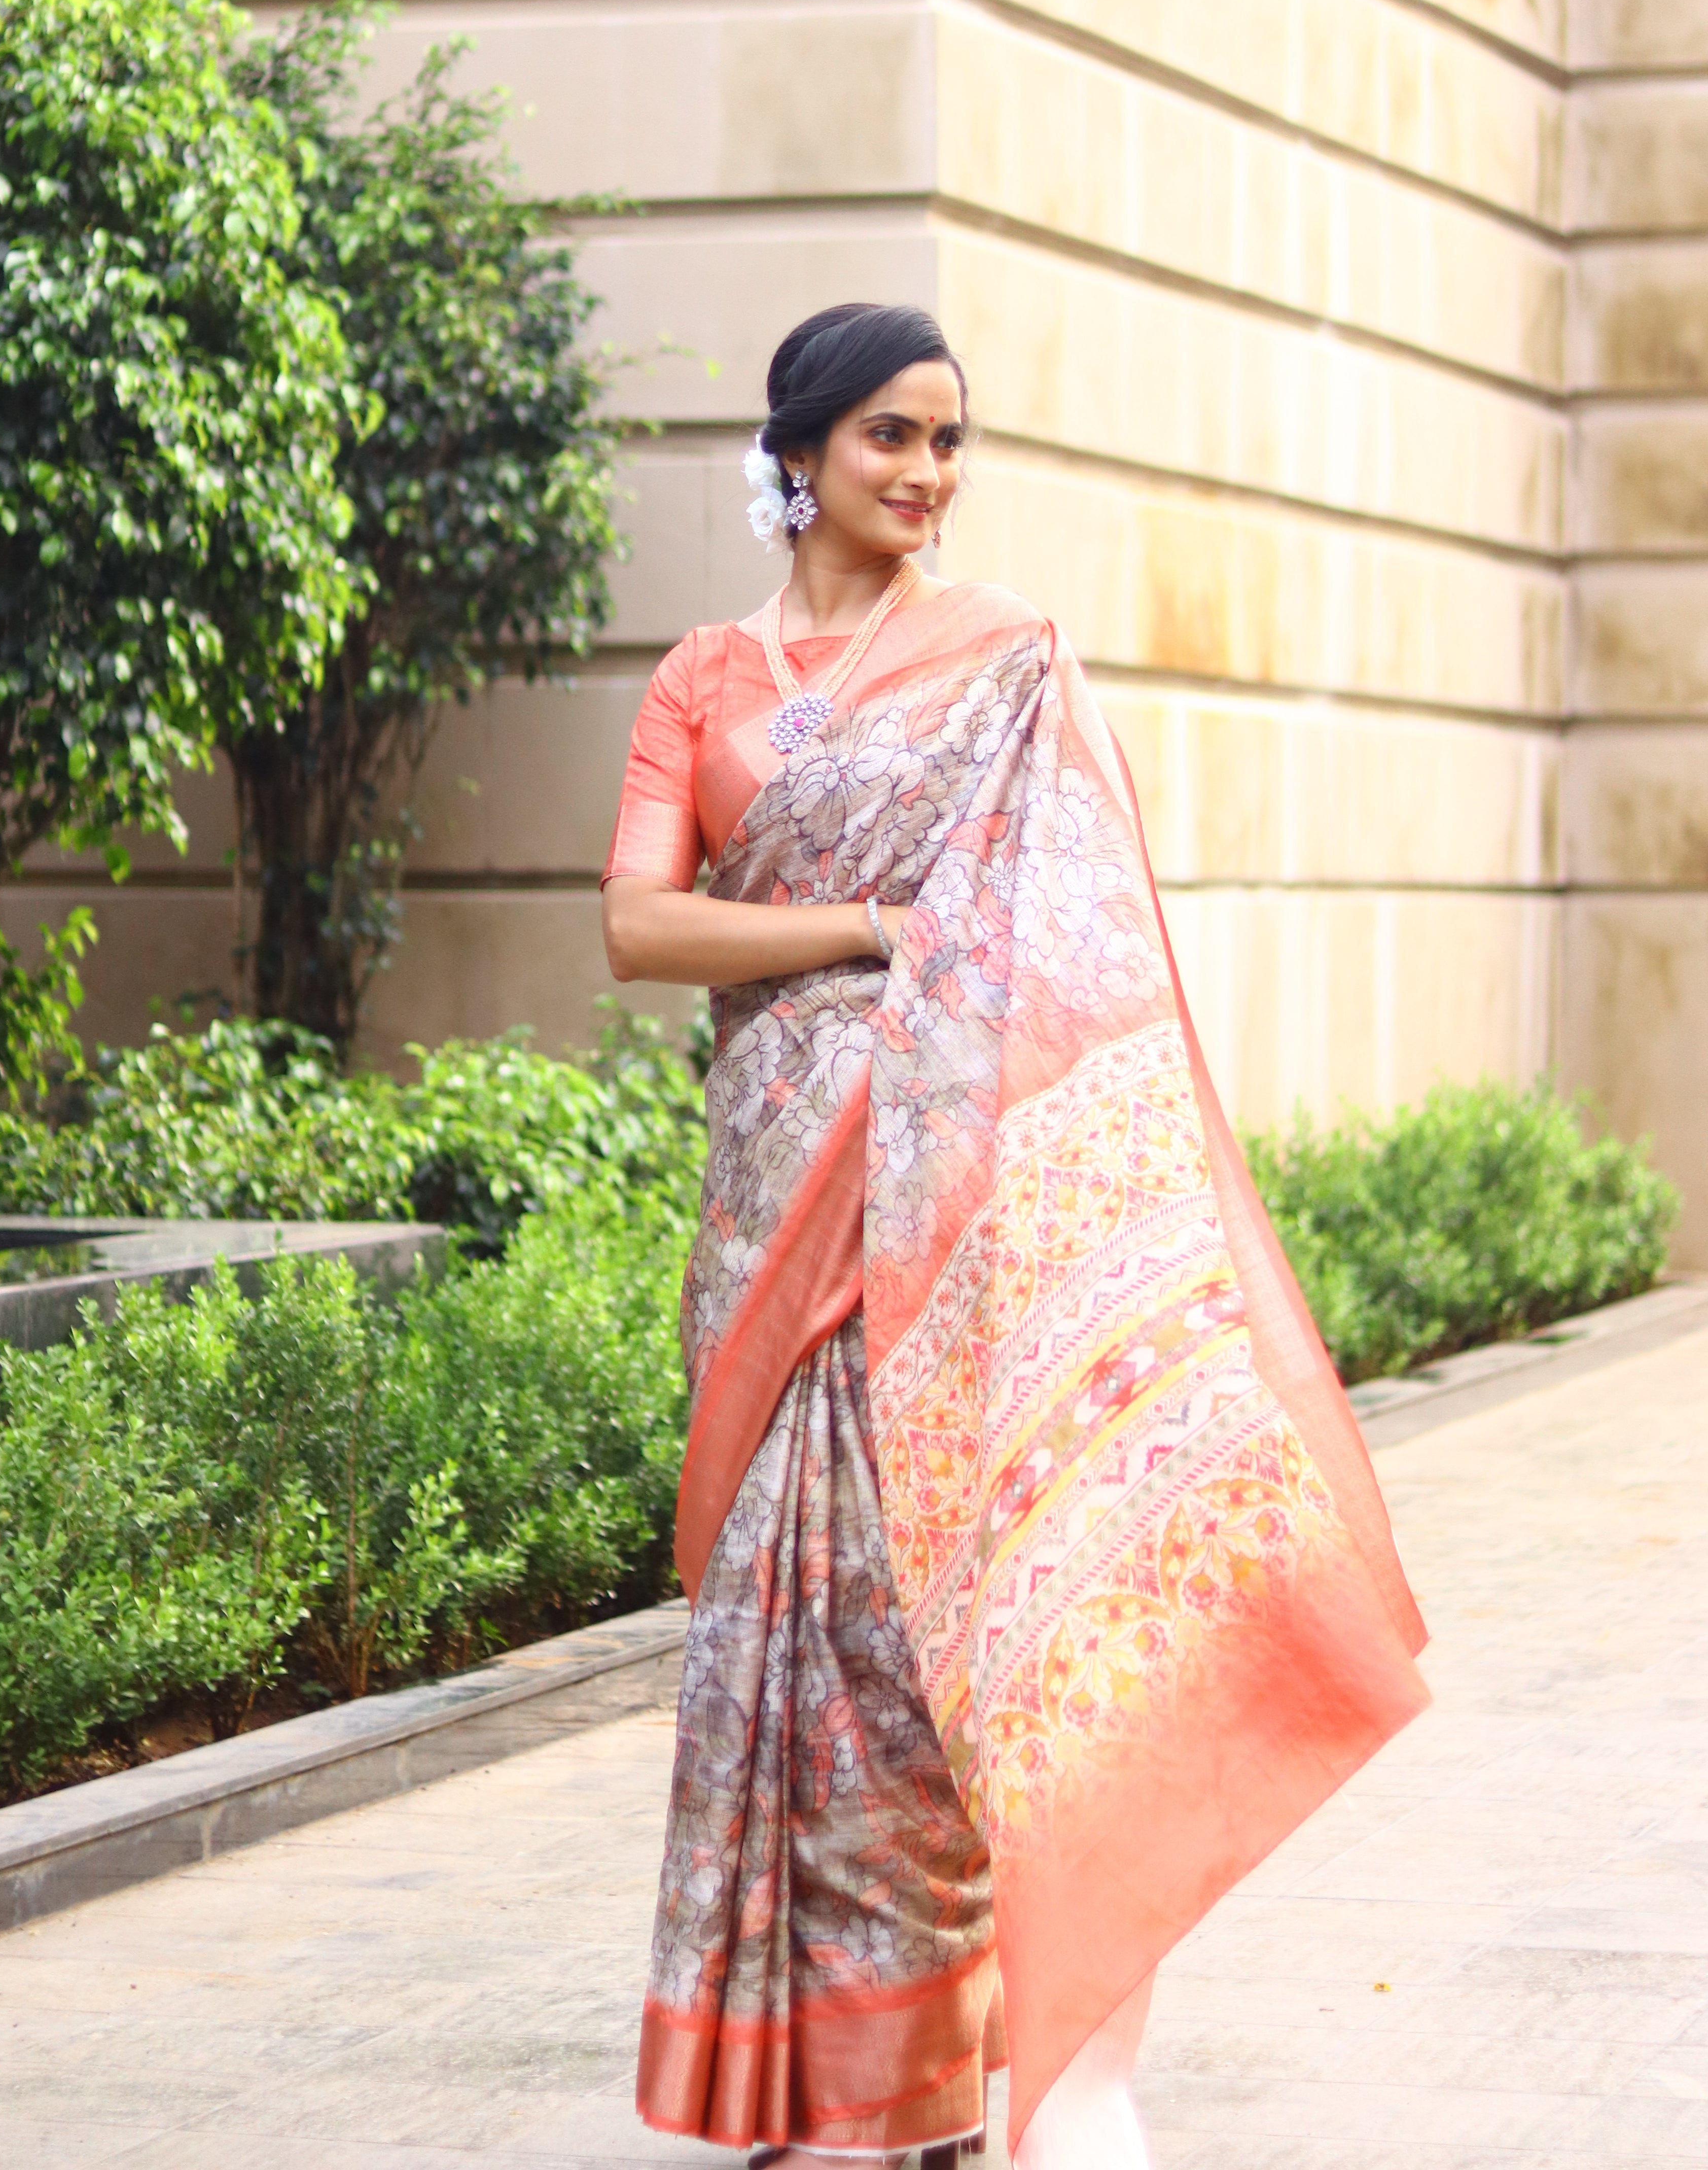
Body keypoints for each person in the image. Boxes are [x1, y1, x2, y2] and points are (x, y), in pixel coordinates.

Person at [601, 303, 1428, 2169]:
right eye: (890, 437)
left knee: (916, 1668)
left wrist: (872, 945)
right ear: (797, 450)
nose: (925, 475)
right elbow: (638, 930)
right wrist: (867, 930)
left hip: (940, 1225)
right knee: (775, 1659)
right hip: (767, 1226)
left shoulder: (1010, 668)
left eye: (949, 443)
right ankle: (815, 2104)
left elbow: (1084, 942)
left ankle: (953, 2088)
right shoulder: (703, 681)